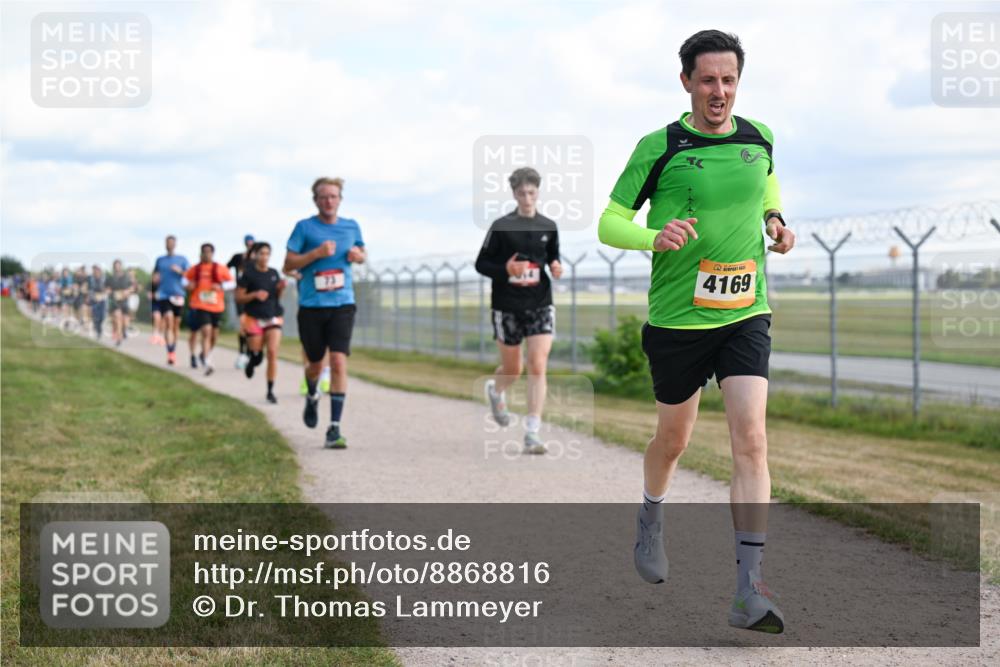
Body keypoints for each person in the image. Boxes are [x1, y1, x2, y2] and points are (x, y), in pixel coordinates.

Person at [597, 30, 796, 634]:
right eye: (708, 80)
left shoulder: (758, 137)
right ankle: (652, 513)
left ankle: (748, 588)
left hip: (745, 310)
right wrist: (651, 236)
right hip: (678, 319)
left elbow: (764, 179)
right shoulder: (660, 145)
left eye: (729, 79)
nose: (720, 91)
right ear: (686, 81)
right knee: (673, 442)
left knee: (752, 441)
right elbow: (610, 221)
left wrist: (775, 219)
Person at [475, 167, 562, 455]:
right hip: (507, 305)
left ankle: (532, 432)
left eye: (532, 192)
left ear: (538, 192)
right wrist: (505, 269)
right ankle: (495, 389)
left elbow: (552, 257)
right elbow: (481, 264)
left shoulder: (548, 226)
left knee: (538, 364)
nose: (527, 197)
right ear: (514, 193)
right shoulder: (501, 226)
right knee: (514, 369)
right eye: (521, 193)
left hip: (540, 302)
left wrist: (556, 266)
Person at [283, 176, 366, 449]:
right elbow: (288, 265)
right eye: (323, 197)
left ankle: (334, 427)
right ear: (315, 200)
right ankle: (312, 394)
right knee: (315, 365)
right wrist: (316, 254)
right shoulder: (304, 228)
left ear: (340, 199)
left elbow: (361, 251)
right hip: (312, 306)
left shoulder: (351, 226)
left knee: (339, 361)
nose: (329, 201)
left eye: (333, 196)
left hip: (343, 303)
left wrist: (358, 256)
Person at [236, 242, 285, 403]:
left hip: (272, 316)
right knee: (257, 356)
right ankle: (252, 360)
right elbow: (239, 297)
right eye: (261, 253)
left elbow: (277, 296)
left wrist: (281, 288)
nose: (264, 257)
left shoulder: (273, 273)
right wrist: (254, 295)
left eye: (267, 254)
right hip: (254, 318)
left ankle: (270, 390)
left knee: (272, 352)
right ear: (255, 255)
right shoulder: (248, 274)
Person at [184, 243, 235, 375]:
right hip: (199, 305)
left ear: (213, 253)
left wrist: (221, 286)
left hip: (216, 306)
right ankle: (207, 361)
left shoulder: (220, 268)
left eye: (209, 252)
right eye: (204, 252)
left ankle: (203, 354)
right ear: (201, 253)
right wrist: (189, 285)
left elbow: (232, 282)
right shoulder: (195, 269)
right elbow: (184, 280)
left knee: (214, 336)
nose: (206, 254)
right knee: (206, 331)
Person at [152, 235, 190, 365]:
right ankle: (170, 352)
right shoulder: (160, 260)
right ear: (165, 244)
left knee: (175, 325)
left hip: (178, 294)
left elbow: (189, 276)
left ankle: (174, 348)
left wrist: (180, 271)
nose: (169, 245)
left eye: (171, 243)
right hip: (164, 294)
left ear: (175, 244)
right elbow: (155, 275)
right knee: (168, 319)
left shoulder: (182, 259)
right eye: (167, 243)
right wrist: (155, 280)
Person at [228, 234, 257, 370]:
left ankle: (251, 353)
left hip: (252, 297)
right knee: (242, 324)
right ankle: (242, 353)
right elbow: (225, 269)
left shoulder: (256, 260)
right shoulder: (237, 257)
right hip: (240, 295)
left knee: (251, 327)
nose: (250, 245)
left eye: (252, 243)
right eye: (248, 243)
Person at [107, 260, 132, 346]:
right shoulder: (110, 278)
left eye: (118, 266)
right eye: (115, 266)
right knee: (117, 317)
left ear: (121, 266)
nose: (117, 268)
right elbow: (107, 288)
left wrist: (127, 291)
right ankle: (119, 338)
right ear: (114, 267)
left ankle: (123, 330)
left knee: (125, 321)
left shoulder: (126, 277)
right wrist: (109, 291)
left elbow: (132, 287)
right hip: (115, 301)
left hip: (124, 301)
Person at [88, 264, 109, 339]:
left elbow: (108, 288)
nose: (95, 272)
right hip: (94, 299)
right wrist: (91, 296)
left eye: (97, 271)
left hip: (102, 298)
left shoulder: (104, 278)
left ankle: (98, 327)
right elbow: (89, 289)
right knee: (95, 316)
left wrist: (105, 292)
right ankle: (98, 331)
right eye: (94, 271)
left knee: (102, 316)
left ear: (100, 271)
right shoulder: (90, 279)